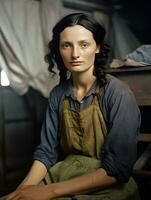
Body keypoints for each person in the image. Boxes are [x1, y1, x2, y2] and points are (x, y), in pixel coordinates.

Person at [6, 13, 141, 200]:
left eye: (84, 44)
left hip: (107, 185)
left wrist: (49, 191)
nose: (75, 54)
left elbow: (117, 169)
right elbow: (46, 153)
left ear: (97, 47)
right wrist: (22, 191)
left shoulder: (118, 94)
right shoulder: (57, 94)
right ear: (59, 50)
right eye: (66, 45)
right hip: (62, 175)